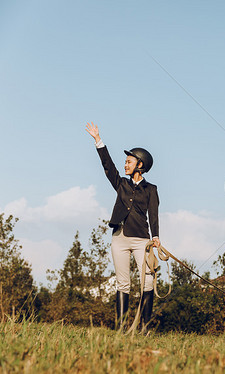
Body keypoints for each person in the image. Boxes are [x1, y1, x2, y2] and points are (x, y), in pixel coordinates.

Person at [85, 122, 160, 332]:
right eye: (125, 162)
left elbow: (154, 214)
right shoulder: (121, 184)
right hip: (119, 238)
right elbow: (108, 166)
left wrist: (156, 237)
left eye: (129, 162)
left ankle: (144, 328)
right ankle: (120, 329)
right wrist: (98, 141)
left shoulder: (151, 189)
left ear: (140, 165)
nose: (125, 165)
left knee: (147, 284)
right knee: (122, 283)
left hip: (142, 241)